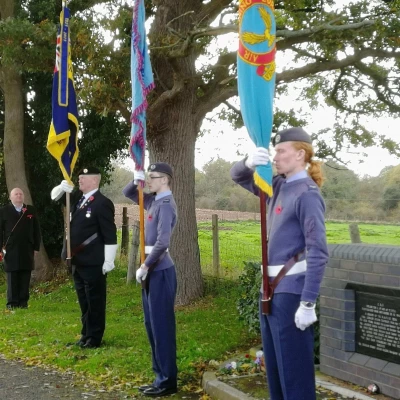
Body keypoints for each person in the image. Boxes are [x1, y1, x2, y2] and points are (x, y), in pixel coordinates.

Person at [230, 127, 329, 400]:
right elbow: (237, 176)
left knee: (294, 374)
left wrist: (308, 302)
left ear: (300, 154)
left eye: (281, 151)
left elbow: (318, 251)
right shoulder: (277, 186)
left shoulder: (307, 194)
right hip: (270, 291)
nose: (275, 156)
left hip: (292, 293)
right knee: (275, 372)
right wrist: (248, 162)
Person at [123, 162, 178, 397]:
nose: (149, 180)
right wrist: (137, 177)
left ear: (164, 179)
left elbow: (162, 242)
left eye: (152, 177)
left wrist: (145, 264)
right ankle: (159, 376)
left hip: (159, 270)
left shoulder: (165, 204)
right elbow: (128, 192)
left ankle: (167, 381)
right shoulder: (153, 201)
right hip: (150, 271)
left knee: (161, 327)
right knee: (151, 325)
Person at [51, 167, 118, 348]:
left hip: (94, 260)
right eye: (79, 177)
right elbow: (55, 197)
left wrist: (109, 260)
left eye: (82, 178)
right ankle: (85, 334)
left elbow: (110, 234)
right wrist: (61, 187)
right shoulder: (79, 200)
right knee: (84, 300)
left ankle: (94, 337)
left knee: (95, 300)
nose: (79, 180)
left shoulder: (102, 203)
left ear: (94, 180)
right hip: (77, 260)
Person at [0, 188, 41, 309]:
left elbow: (36, 229)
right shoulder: (4, 211)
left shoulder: (30, 210)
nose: (18, 196)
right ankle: (12, 303)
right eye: (16, 194)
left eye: (20, 194)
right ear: (10, 197)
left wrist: (36, 247)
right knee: (12, 275)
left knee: (25, 274)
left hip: (27, 247)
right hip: (11, 248)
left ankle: (23, 303)